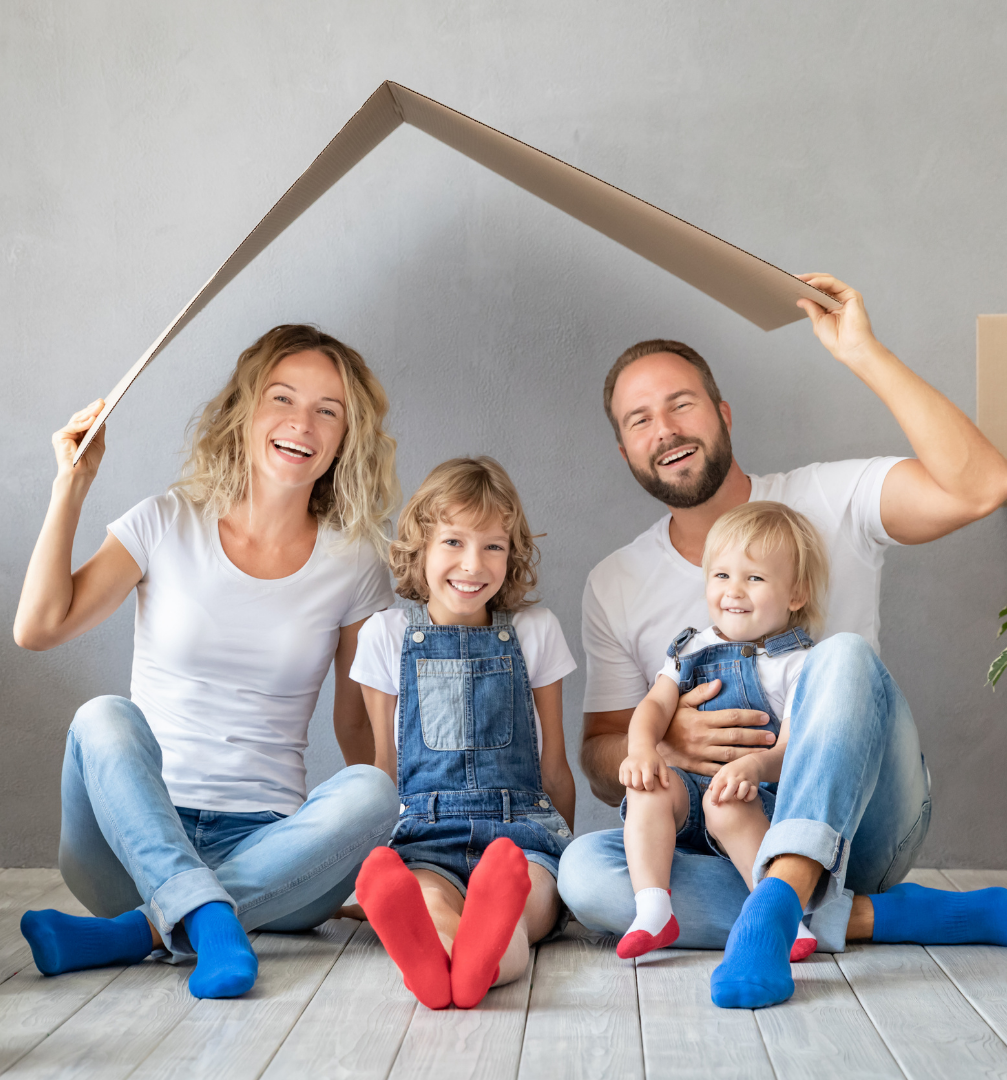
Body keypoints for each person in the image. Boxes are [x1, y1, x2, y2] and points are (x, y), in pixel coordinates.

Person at [557, 275, 1007, 1009]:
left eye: (680, 403)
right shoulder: (616, 580)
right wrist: (667, 739)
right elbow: (599, 758)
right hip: (725, 826)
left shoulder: (829, 498)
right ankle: (859, 913)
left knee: (841, 654)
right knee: (587, 874)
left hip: (870, 822)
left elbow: (984, 485)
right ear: (624, 447)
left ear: (721, 413)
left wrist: (863, 352)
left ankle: (780, 907)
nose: (665, 430)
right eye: (639, 419)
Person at [15, 324, 402, 998]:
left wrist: (381, 836)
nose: (301, 423)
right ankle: (201, 918)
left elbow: (359, 731)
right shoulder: (166, 521)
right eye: (282, 399)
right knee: (103, 716)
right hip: (130, 842)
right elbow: (39, 627)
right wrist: (70, 485)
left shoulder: (354, 563)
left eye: (327, 410)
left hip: (274, 854)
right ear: (246, 411)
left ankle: (142, 930)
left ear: (346, 437)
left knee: (374, 790)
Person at [350, 457, 577, 1010]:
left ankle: (475, 957)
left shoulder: (534, 630)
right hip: (426, 831)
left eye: (493, 546)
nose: (473, 564)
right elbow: (385, 769)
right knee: (427, 899)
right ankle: (444, 959)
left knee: (527, 901)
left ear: (511, 554)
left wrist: (563, 851)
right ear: (420, 547)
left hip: (521, 831)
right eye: (453, 542)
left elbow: (553, 764)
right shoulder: (386, 635)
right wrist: (372, 846)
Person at [617, 503, 826, 964]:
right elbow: (655, 704)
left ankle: (779, 915)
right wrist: (642, 749)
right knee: (650, 788)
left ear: (795, 594)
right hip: (691, 798)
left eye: (754, 578)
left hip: (758, 802)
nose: (734, 591)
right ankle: (653, 908)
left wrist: (754, 764)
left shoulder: (799, 663)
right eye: (721, 576)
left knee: (727, 801)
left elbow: (796, 749)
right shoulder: (692, 648)